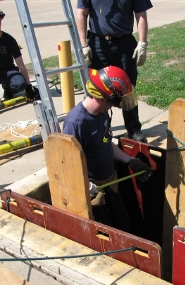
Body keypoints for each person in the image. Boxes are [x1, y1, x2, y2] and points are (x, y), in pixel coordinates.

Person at [62, 66, 154, 232]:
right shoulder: (76, 123)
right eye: (116, 100)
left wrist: (131, 160)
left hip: (110, 183)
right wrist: (87, 187)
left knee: (125, 225)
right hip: (94, 192)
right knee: (108, 234)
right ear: (106, 97)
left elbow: (105, 142)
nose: (117, 105)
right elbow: (67, 166)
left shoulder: (102, 113)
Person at [76, 0, 153, 143]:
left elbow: (141, 14)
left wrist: (143, 42)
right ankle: (99, 129)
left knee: (128, 86)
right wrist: (83, 44)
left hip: (124, 43)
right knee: (97, 88)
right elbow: (82, 12)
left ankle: (134, 129)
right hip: (97, 43)